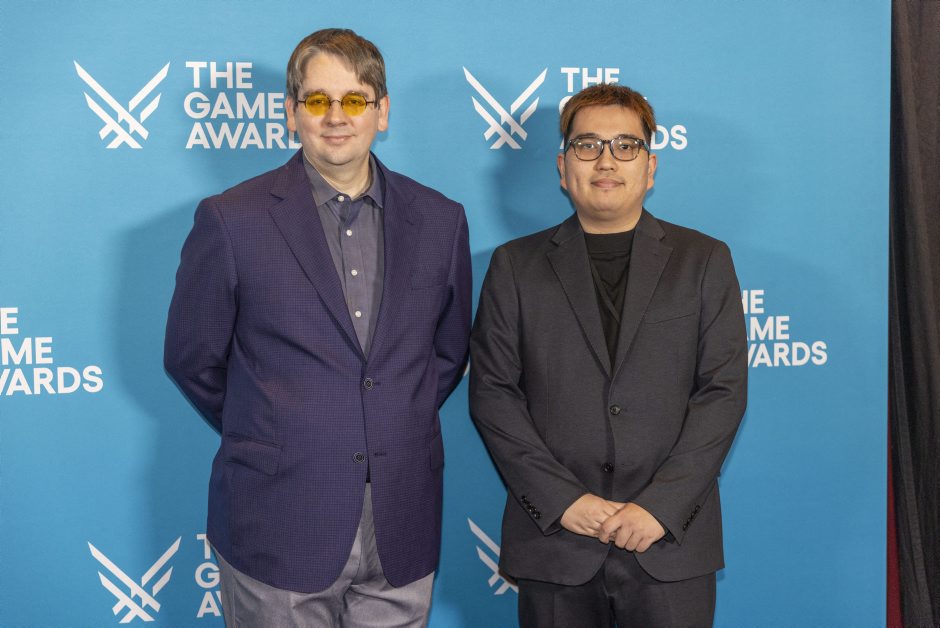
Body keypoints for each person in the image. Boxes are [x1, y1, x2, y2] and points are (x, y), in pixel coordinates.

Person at [164, 28, 471, 627]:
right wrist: (275, 427)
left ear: (382, 112)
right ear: (291, 112)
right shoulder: (231, 220)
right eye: (317, 100)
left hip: (401, 520)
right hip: (277, 519)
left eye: (354, 99)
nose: (336, 116)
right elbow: (192, 358)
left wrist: (383, 419)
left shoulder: (442, 220)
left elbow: (447, 353)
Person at [469, 83, 747, 627]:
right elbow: (493, 394)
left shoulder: (704, 261)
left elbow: (723, 393)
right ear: (562, 166)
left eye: (626, 145)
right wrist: (563, 501)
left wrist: (659, 507)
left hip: (668, 543)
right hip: (556, 542)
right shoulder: (514, 266)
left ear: (650, 166)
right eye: (587, 145)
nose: (605, 160)